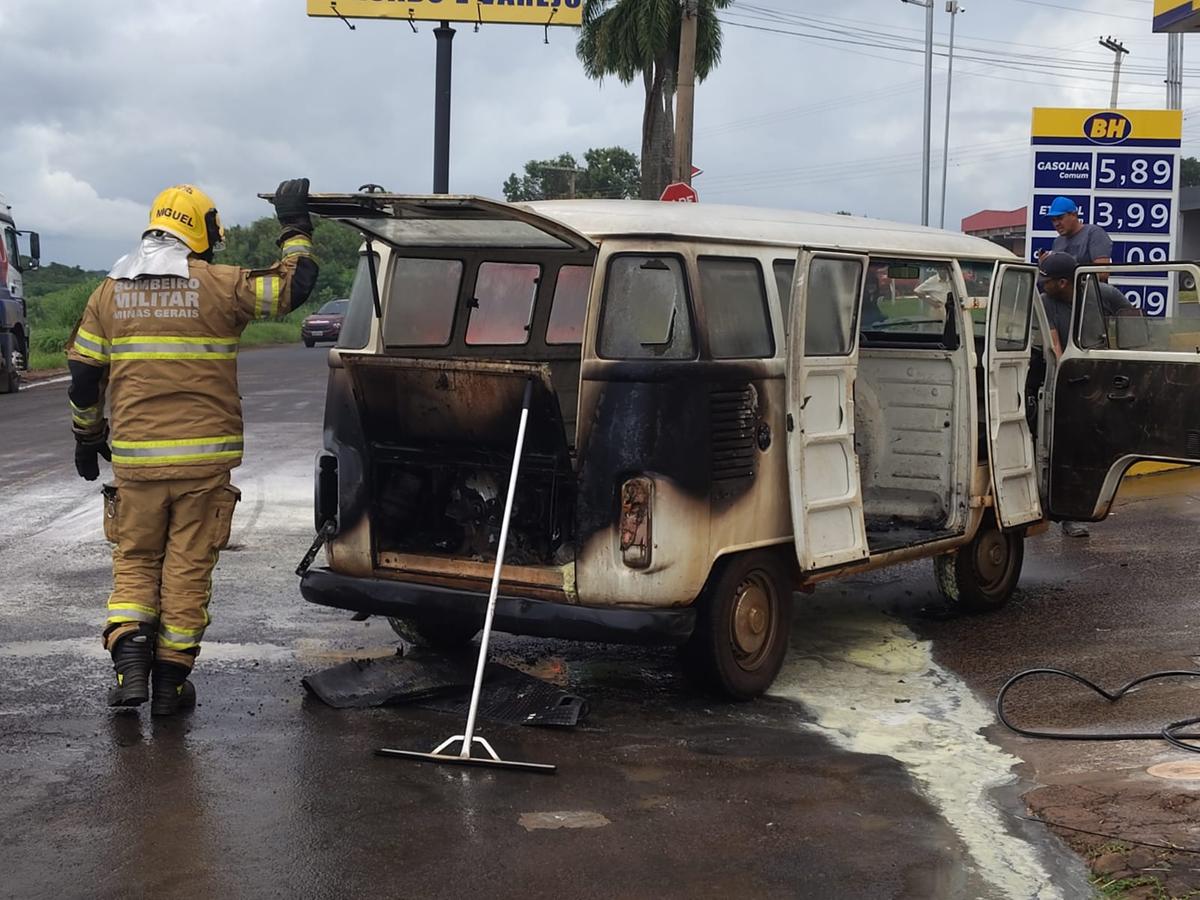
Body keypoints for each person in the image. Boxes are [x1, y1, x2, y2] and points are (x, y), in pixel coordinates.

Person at [68, 179, 318, 715]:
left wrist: (87, 436)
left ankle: (129, 663)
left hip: (136, 463)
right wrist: (295, 227)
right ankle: (170, 686)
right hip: (204, 465)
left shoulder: (108, 292)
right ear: (201, 231)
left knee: (135, 560)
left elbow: (83, 376)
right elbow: (293, 288)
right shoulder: (220, 284)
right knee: (187, 568)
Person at [1037, 251, 1137, 538]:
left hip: (1105, 379)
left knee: (1100, 447)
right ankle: (1069, 514)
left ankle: (1085, 503)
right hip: (1071, 382)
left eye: (1048, 280)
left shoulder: (1103, 294)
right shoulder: (1046, 303)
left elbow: (1131, 320)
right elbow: (1055, 348)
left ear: (1065, 283)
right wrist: (1064, 386)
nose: (1042, 283)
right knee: (1068, 449)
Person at [1041, 196, 1113, 269]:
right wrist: (1045, 266)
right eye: (1053, 220)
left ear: (1074, 215)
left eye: (1060, 218)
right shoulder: (1057, 241)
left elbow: (1102, 272)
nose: (1056, 224)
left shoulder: (1094, 233)